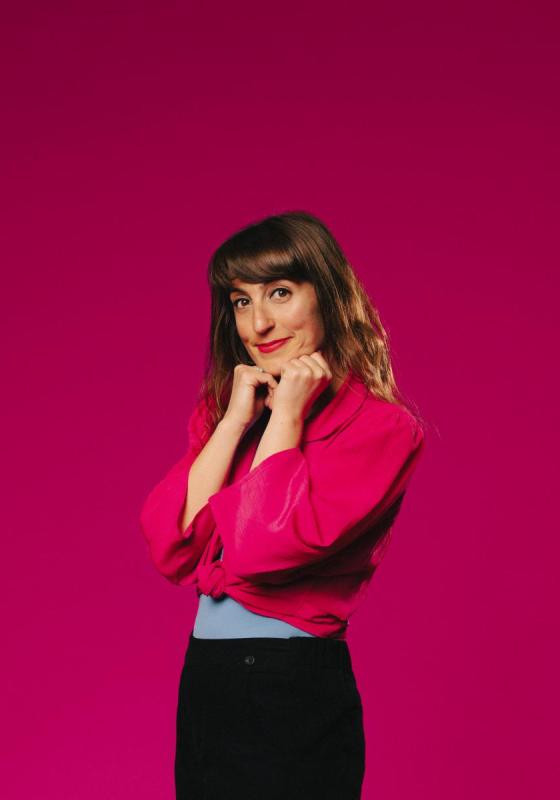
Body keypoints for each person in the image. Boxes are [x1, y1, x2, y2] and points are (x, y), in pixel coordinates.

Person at [139, 210, 427, 800]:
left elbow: (262, 547)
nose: (259, 322)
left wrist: (290, 414)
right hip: (208, 675)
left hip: (288, 681)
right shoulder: (231, 416)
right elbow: (175, 548)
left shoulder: (380, 428)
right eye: (240, 301)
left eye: (279, 293)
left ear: (326, 294)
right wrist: (235, 420)